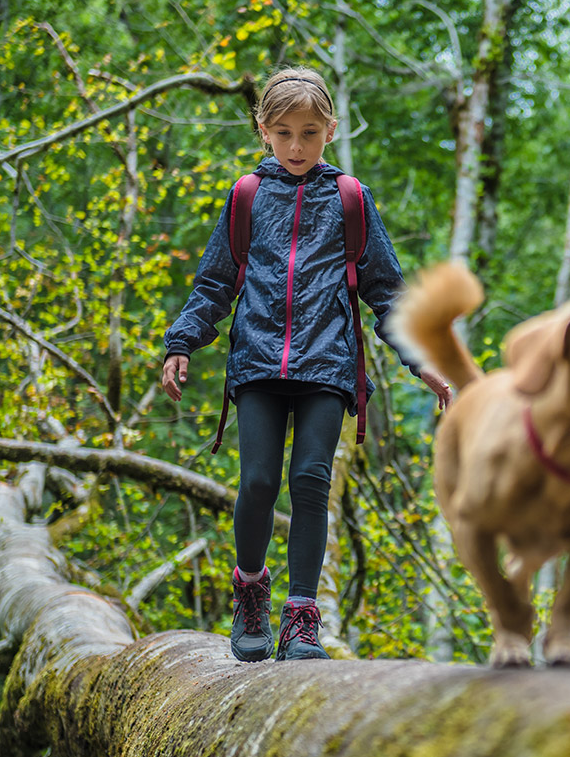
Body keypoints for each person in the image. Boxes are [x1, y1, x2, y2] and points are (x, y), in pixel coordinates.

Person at [161, 66, 450, 662]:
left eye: (311, 133)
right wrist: (182, 342)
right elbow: (217, 280)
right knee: (260, 480)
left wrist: (421, 361)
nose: (297, 146)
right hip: (259, 361)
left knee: (311, 481)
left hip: (328, 363)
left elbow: (387, 291)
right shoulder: (246, 195)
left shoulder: (350, 198)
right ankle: (249, 594)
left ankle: (301, 618)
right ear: (263, 130)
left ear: (331, 132)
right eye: (285, 132)